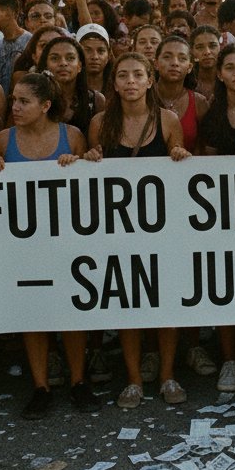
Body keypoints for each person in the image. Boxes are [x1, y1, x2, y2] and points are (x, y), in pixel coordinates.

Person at [0, 72, 93, 418]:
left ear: (45, 105)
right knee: (33, 312)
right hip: (24, 246)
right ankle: (41, 386)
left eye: (23, 101)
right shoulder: (3, 140)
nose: (14, 107)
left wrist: (80, 163)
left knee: (73, 311)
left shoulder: (72, 136)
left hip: (67, 238)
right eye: (14, 99)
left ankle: (78, 381)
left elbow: (90, 183)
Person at [88, 53, 190, 408]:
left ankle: (166, 375)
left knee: (166, 303)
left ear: (150, 80)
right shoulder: (101, 122)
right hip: (118, 229)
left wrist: (179, 155)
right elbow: (92, 171)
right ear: (114, 83)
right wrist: (86, 160)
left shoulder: (168, 119)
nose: (130, 81)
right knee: (128, 303)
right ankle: (133, 379)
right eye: (123, 75)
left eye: (138, 75)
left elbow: (182, 171)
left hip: (163, 227)